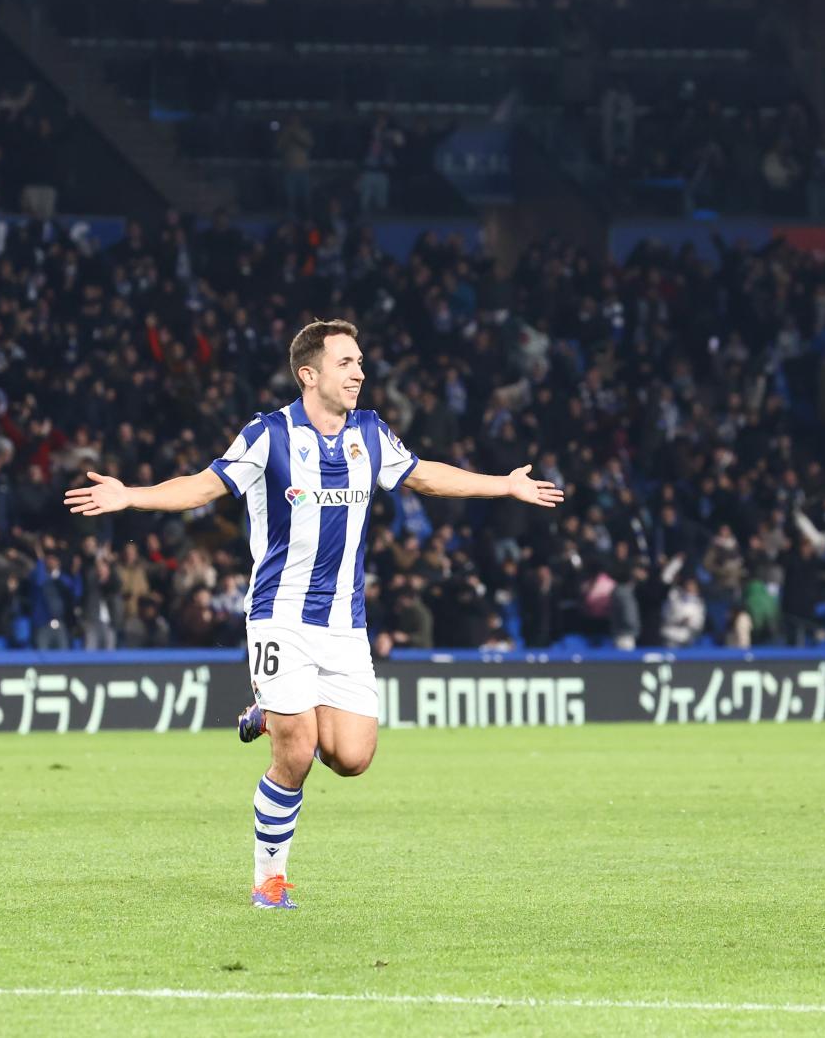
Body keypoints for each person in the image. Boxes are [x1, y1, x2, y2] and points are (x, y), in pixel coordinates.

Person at [66, 319, 563, 908]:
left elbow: (425, 476)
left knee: (352, 758)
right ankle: (269, 880)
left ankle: (270, 710)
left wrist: (502, 486)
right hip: (280, 615)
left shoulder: (370, 433)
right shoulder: (267, 435)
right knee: (297, 752)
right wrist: (132, 496)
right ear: (310, 374)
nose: (359, 372)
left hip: (345, 625)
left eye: (359, 361)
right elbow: (202, 487)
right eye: (346, 362)